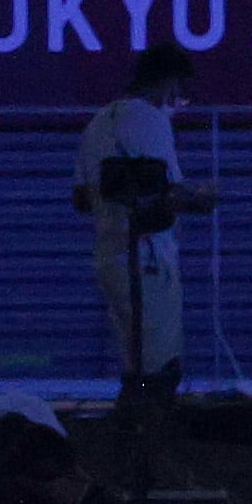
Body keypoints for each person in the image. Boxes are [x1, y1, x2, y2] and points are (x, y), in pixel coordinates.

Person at [73, 42, 218, 469]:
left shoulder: (99, 123)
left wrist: (111, 204)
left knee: (138, 364)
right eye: (178, 88)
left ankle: (125, 457)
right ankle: (146, 462)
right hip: (147, 260)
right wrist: (203, 198)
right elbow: (164, 191)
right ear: (166, 82)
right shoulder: (148, 118)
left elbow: (81, 197)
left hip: (110, 257)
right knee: (160, 369)